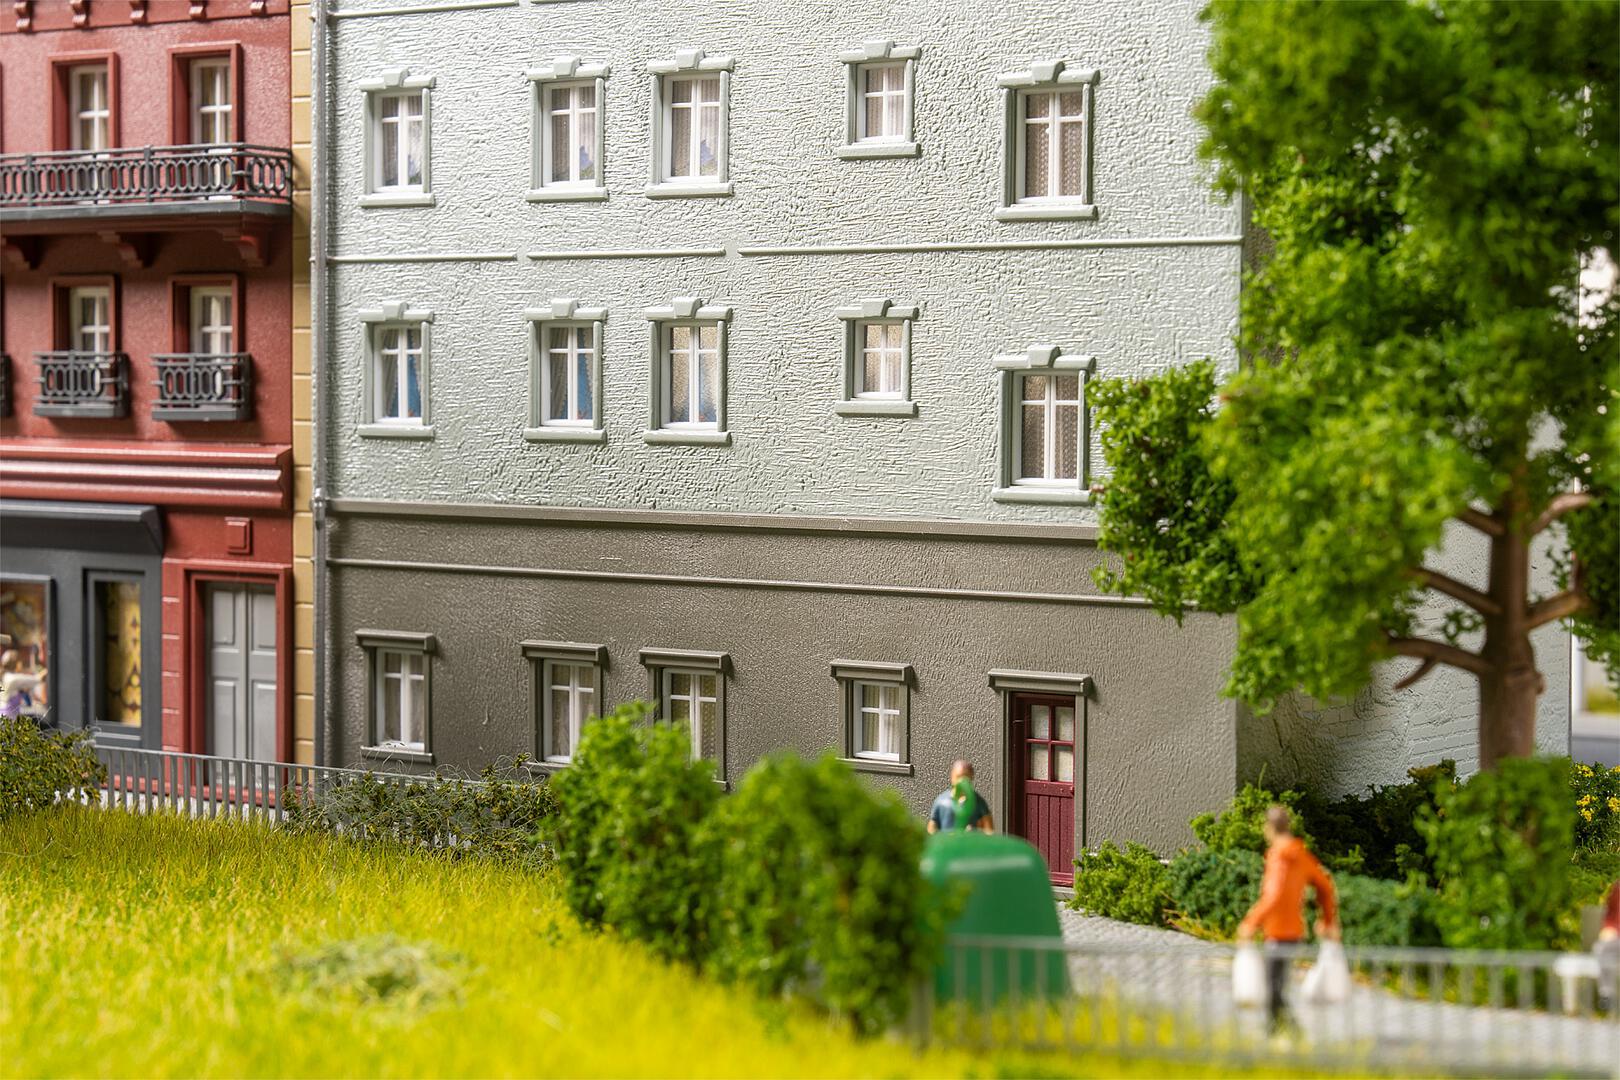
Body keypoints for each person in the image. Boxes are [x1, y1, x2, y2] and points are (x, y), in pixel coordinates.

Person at [1236, 804, 1338, 1032]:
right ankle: (1284, 1031)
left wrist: (1252, 922)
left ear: (1269, 827)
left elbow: (1274, 895)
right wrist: (1327, 920)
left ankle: (1284, 1032)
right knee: (1276, 987)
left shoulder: (1279, 856)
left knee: (1273, 988)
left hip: (1277, 931)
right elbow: (1325, 886)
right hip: (1294, 930)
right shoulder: (1300, 853)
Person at [928, 760, 994, 834]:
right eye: (958, 776)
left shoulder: (978, 801)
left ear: (971, 777)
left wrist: (976, 832)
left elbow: (989, 830)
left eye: (965, 777)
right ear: (952, 777)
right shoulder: (942, 801)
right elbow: (932, 829)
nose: (961, 781)